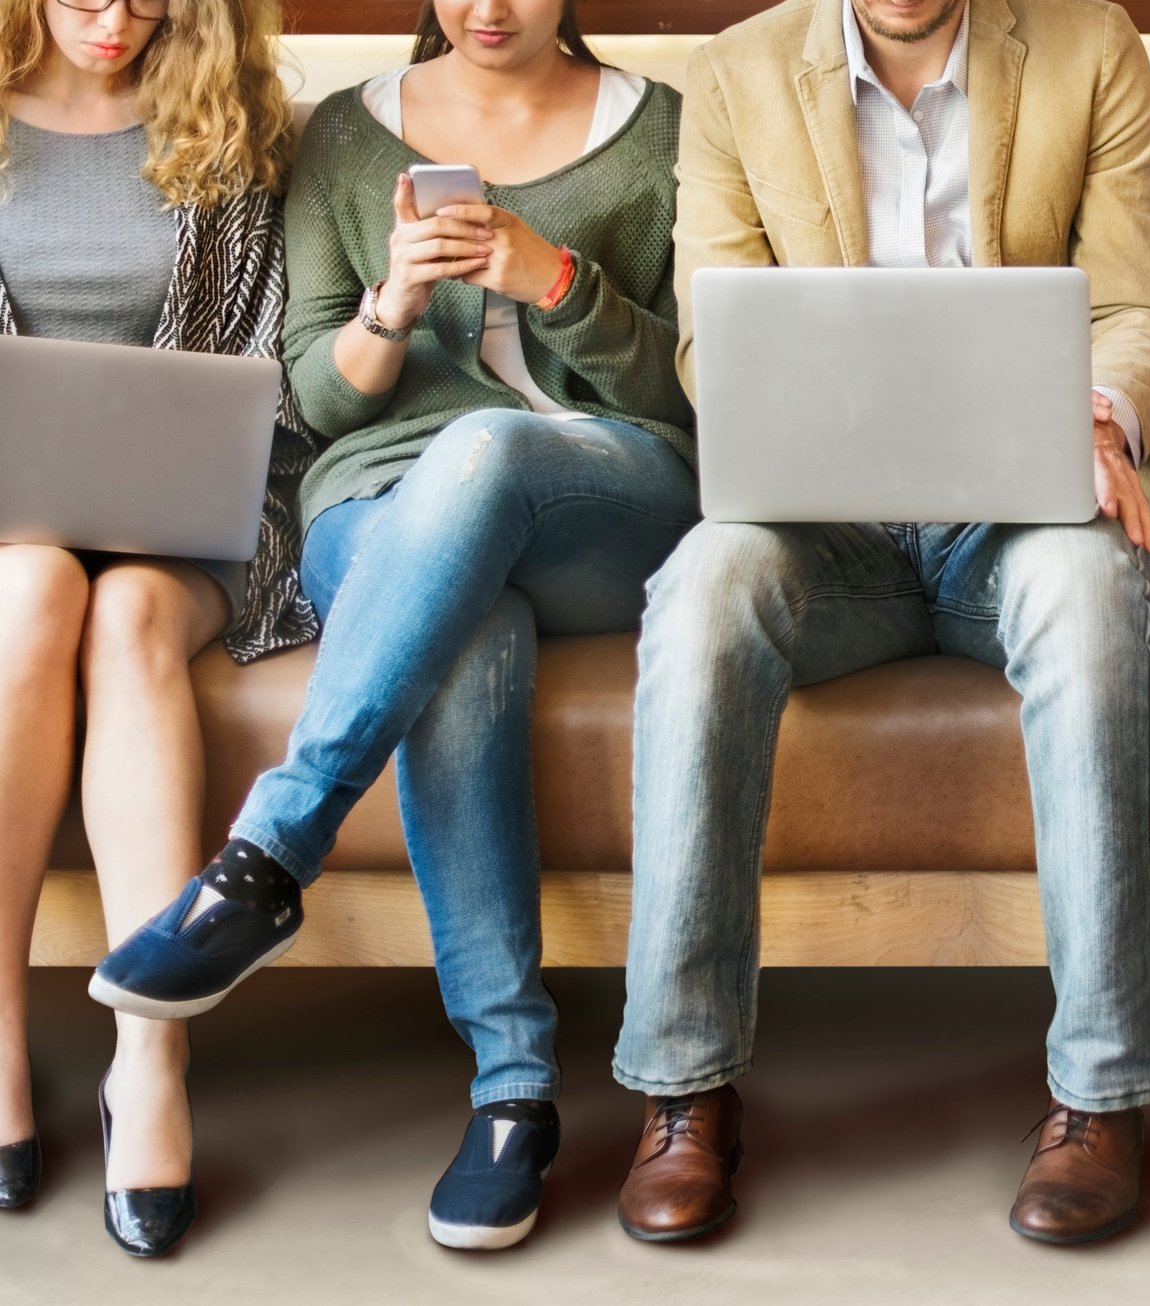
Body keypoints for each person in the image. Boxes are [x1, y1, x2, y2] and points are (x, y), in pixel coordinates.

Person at [87, 0, 696, 1252]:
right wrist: (389, 310)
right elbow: (308, 398)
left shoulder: (663, 133)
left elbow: (692, 384)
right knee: (464, 630)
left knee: (485, 447)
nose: (489, 9)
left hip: (601, 491)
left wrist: (558, 281)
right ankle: (513, 1090)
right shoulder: (343, 140)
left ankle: (270, 859)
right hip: (378, 505)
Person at [609, 0, 1150, 1248]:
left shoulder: (1095, 49)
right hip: (833, 523)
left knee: (1095, 595)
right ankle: (684, 1085)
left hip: (1023, 513)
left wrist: (1097, 414)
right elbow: (715, 343)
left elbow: (1141, 310)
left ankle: (1100, 1094)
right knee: (706, 584)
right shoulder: (736, 73)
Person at [0, 0, 307, 1257]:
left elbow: (265, 370)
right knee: (37, 588)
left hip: (190, 528)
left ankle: (150, 1061)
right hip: (9, 537)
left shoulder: (233, 122)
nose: (117, 20)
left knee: (124, 607)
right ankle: (4, 1038)